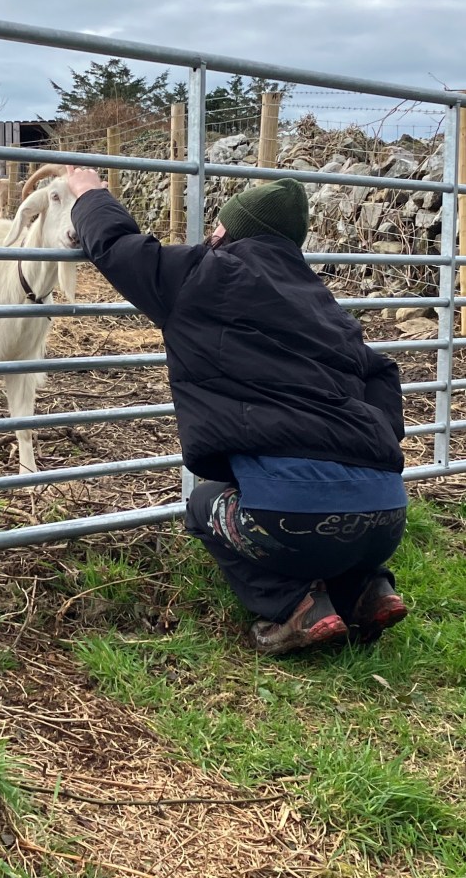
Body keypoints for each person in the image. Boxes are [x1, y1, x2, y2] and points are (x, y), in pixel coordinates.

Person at [65, 164, 408, 656]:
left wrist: (89, 194)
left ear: (229, 231)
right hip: (387, 516)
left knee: (204, 505)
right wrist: (375, 438)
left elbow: (119, 248)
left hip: (289, 517)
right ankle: (367, 590)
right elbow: (382, 371)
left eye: (218, 225)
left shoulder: (202, 274)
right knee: (325, 513)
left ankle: (294, 606)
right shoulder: (324, 304)